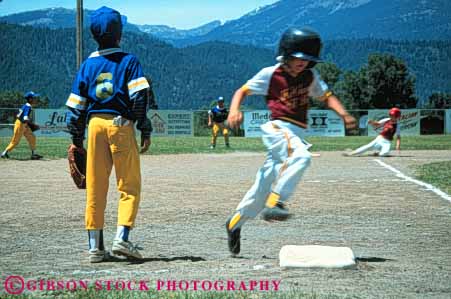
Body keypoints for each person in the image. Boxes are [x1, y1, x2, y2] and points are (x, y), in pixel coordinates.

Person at [224, 27, 357, 255]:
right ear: (286, 53)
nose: (302, 63)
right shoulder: (270, 73)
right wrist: (234, 110)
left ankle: (233, 225)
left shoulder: (310, 77)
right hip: (278, 128)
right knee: (301, 156)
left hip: (294, 134)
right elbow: (242, 91)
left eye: (308, 60)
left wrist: (344, 114)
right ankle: (277, 202)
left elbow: (327, 97)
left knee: (258, 194)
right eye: (299, 58)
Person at [65, 6, 153, 263]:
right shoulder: (129, 60)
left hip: (94, 126)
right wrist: (143, 126)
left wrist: (76, 140)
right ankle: (122, 239)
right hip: (120, 125)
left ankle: (95, 247)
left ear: (94, 35)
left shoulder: (87, 65)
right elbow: (140, 97)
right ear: (119, 33)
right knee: (129, 186)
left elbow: (76, 109)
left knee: (95, 187)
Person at [1, 91, 43, 160]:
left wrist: (28, 125)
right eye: (34, 97)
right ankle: (4, 153)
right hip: (20, 124)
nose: (36, 99)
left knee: (32, 137)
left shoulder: (26, 105)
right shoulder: (28, 107)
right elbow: (25, 118)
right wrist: (33, 125)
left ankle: (33, 154)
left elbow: (20, 116)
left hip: (23, 124)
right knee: (15, 141)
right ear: (30, 99)